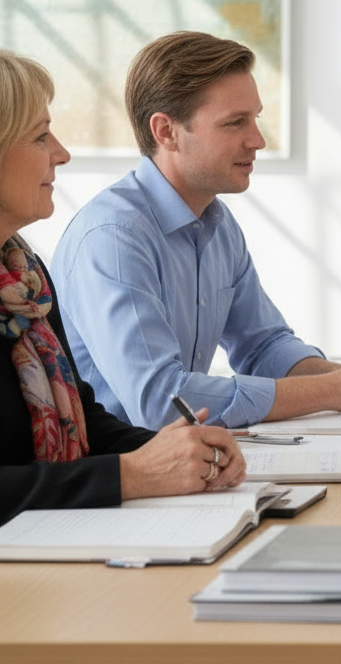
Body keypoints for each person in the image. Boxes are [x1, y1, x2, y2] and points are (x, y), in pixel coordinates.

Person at [53, 32, 341, 430]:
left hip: (187, 465)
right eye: (235, 123)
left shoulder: (216, 222)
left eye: (255, 118)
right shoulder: (113, 239)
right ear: (166, 131)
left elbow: (264, 346)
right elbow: (163, 402)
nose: (257, 140)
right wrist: (337, 389)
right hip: (126, 475)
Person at [0, 50, 246, 527]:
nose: (62, 154)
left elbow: (84, 417)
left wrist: (182, 450)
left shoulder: (23, 278)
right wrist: (131, 474)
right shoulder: (107, 236)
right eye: (40, 136)